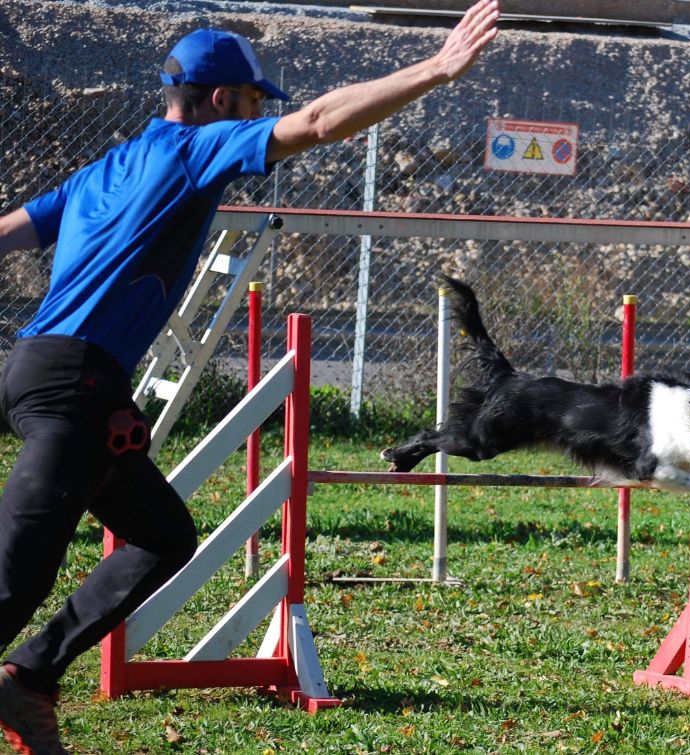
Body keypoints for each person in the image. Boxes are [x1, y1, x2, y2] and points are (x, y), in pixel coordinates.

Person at [0, 3, 499, 752]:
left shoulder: (107, 165)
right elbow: (324, 122)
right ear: (222, 101)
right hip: (76, 387)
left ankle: (29, 678)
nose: (262, 116)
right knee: (12, 584)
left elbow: (5, 232)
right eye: (256, 103)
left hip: (36, 370)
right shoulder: (197, 149)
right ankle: (27, 670)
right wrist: (435, 68)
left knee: (163, 534)